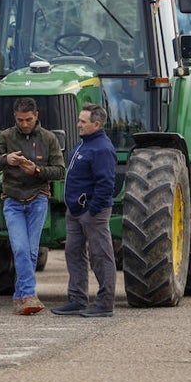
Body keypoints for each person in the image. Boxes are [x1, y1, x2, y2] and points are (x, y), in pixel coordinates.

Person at [0, 97, 66, 316]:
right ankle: (27, 296)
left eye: (28, 119)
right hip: (12, 201)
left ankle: (22, 297)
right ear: (15, 117)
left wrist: (37, 171)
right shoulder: (5, 137)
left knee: (31, 251)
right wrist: (6, 159)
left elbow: (60, 170)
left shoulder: (49, 139)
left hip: (38, 198)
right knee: (21, 248)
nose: (24, 124)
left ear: (36, 116)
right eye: (20, 120)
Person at [53, 104, 117, 317]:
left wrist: (92, 211)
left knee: (101, 256)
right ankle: (77, 299)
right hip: (75, 212)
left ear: (96, 124)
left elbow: (106, 184)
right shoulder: (83, 145)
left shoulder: (102, 149)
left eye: (83, 121)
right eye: (79, 120)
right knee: (73, 253)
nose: (78, 124)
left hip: (92, 213)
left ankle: (105, 303)